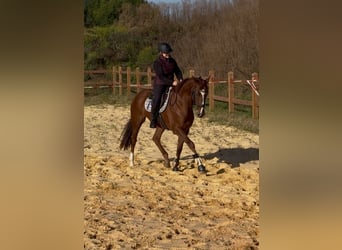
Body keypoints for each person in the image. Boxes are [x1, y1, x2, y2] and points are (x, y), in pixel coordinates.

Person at [150, 42, 183, 128]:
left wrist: (180, 78)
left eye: (168, 52)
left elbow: (177, 70)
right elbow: (160, 76)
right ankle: (153, 119)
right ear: (161, 53)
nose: (167, 54)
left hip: (171, 83)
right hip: (160, 83)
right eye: (166, 53)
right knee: (156, 99)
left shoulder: (172, 61)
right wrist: (172, 82)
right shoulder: (157, 63)